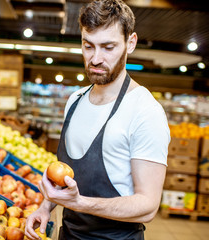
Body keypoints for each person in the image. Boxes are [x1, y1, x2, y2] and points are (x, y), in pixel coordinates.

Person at [25, 0, 170, 239]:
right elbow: (67, 178)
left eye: (108, 47)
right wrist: (46, 207)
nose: (95, 58)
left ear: (130, 43)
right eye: (88, 46)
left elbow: (148, 206)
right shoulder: (75, 100)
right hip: (68, 234)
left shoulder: (145, 111)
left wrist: (79, 203)